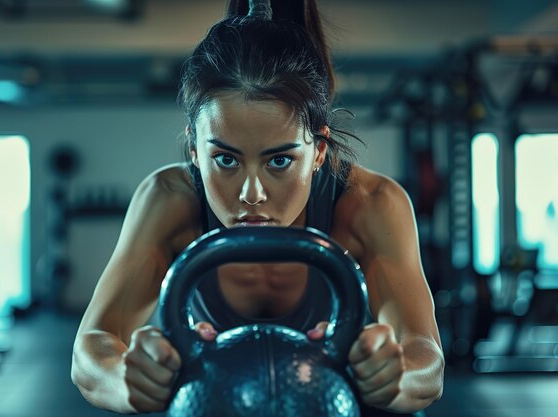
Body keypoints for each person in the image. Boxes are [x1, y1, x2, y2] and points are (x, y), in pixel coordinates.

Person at [71, 0, 445, 415]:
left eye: (280, 161)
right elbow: (91, 350)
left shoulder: (372, 204)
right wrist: (131, 378)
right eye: (226, 160)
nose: (251, 193)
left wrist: (393, 375)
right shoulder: (168, 199)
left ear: (318, 151)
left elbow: (427, 361)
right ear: (195, 150)